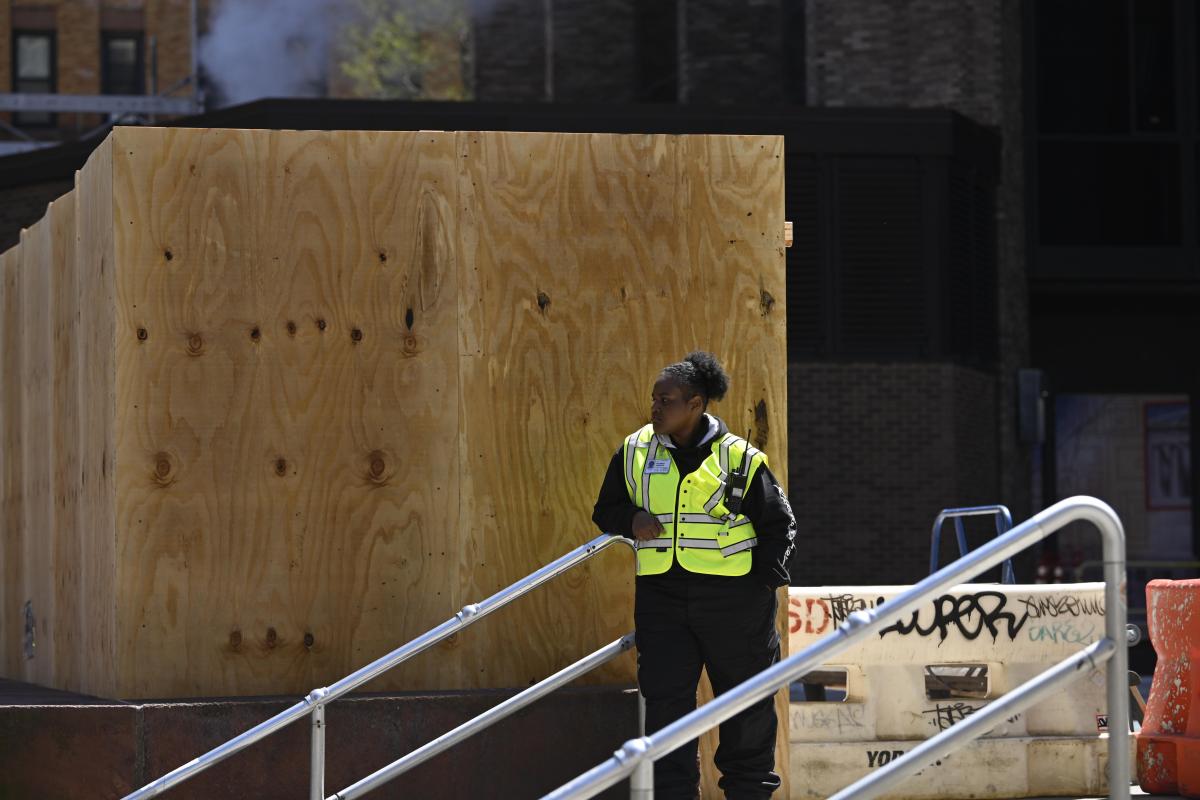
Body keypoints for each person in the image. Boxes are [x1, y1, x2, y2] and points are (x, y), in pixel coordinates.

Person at [592, 351, 798, 800]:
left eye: (666, 400)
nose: (655, 407)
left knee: (745, 704)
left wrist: (761, 586)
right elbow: (604, 509)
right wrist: (631, 520)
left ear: (696, 403)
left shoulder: (740, 458)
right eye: (653, 399)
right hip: (662, 600)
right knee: (667, 708)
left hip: (735, 603)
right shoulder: (634, 450)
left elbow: (779, 524)